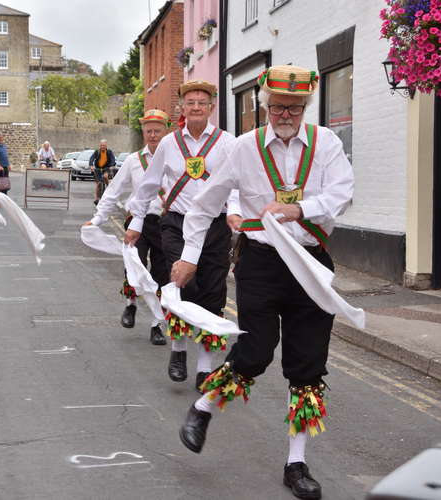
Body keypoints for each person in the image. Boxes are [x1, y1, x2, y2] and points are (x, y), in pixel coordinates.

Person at [173, 65, 354, 500]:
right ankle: (203, 408)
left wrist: (300, 209)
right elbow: (204, 205)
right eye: (277, 107)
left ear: (305, 107)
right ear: (265, 107)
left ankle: (296, 462)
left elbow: (343, 192)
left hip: (311, 263)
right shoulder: (243, 148)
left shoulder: (326, 143)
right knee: (254, 352)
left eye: (293, 107)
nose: (285, 114)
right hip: (260, 261)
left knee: (308, 364)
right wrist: (188, 258)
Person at [125, 80, 241, 390]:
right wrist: (136, 221)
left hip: (215, 228)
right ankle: (178, 351)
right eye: (190, 102)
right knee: (181, 284)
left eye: (202, 102)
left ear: (211, 107)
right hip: (176, 223)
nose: (196, 107)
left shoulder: (227, 142)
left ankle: (204, 368)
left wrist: (235, 210)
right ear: (182, 108)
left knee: (213, 294)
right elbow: (149, 185)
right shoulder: (169, 143)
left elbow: (238, 182)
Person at [83, 110, 171, 345]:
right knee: (134, 265)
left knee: (161, 275)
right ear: (143, 133)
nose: (153, 136)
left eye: (157, 131)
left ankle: (156, 324)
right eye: (148, 131)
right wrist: (98, 219)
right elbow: (113, 191)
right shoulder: (134, 160)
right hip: (136, 222)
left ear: (166, 132)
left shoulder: (175, 159)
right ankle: (130, 304)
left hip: (166, 224)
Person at [89, 139, 116, 204]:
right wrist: (91, 165)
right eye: (101, 145)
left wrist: (112, 165)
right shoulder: (97, 152)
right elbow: (91, 158)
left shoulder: (109, 152)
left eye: (104, 145)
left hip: (106, 168)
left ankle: (109, 188)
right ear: (100, 146)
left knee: (105, 176)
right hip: (98, 169)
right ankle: (97, 198)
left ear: (106, 146)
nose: (102, 147)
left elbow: (113, 159)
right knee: (98, 184)